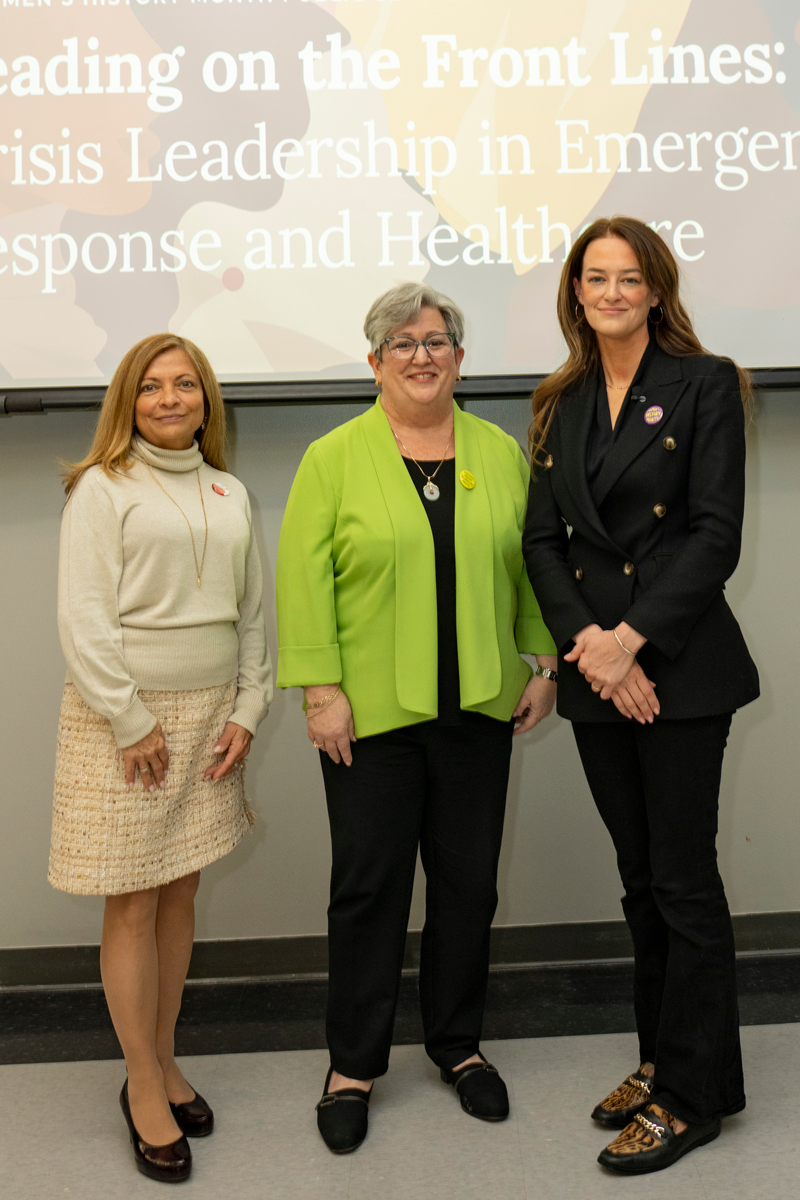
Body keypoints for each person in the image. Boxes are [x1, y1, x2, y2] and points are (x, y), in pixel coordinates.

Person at [275, 282, 557, 1153]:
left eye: (436, 341)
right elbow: (301, 578)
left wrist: (541, 659)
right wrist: (319, 690)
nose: (421, 356)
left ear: (460, 359)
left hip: (479, 704)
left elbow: (531, 563)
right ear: (374, 362)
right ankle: (352, 1066)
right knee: (370, 890)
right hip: (368, 717)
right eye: (402, 343)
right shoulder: (333, 457)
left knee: (469, 885)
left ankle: (458, 1046)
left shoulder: (497, 452)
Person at [523, 217, 759, 1175]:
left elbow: (714, 535)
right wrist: (590, 647)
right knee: (639, 880)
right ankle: (664, 1058)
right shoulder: (561, 399)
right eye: (596, 277)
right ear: (576, 293)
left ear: (655, 290)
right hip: (598, 676)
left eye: (629, 278)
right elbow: (542, 542)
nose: (612, 293)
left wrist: (628, 643)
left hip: (678, 670)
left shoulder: (706, 383)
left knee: (683, 883)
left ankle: (692, 1101)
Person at [49, 333, 272, 1184]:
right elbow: (83, 617)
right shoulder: (101, 488)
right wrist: (129, 717)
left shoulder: (230, 490)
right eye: (150, 387)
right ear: (127, 403)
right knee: (134, 899)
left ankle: (166, 1056)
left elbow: (253, 613)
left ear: (207, 399)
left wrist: (249, 708)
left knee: (182, 888)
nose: (170, 399)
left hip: (212, 716)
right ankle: (141, 1081)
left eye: (184, 384)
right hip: (128, 722)